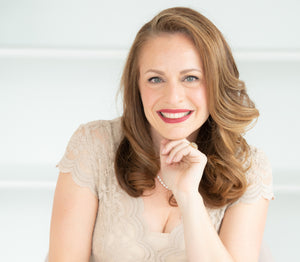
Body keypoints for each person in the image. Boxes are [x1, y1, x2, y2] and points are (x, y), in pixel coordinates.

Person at [46, 7, 274, 262]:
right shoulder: (94, 145)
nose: (173, 97)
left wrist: (188, 197)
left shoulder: (248, 167)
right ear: (137, 86)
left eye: (191, 78)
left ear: (217, 82)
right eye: (155, 79)